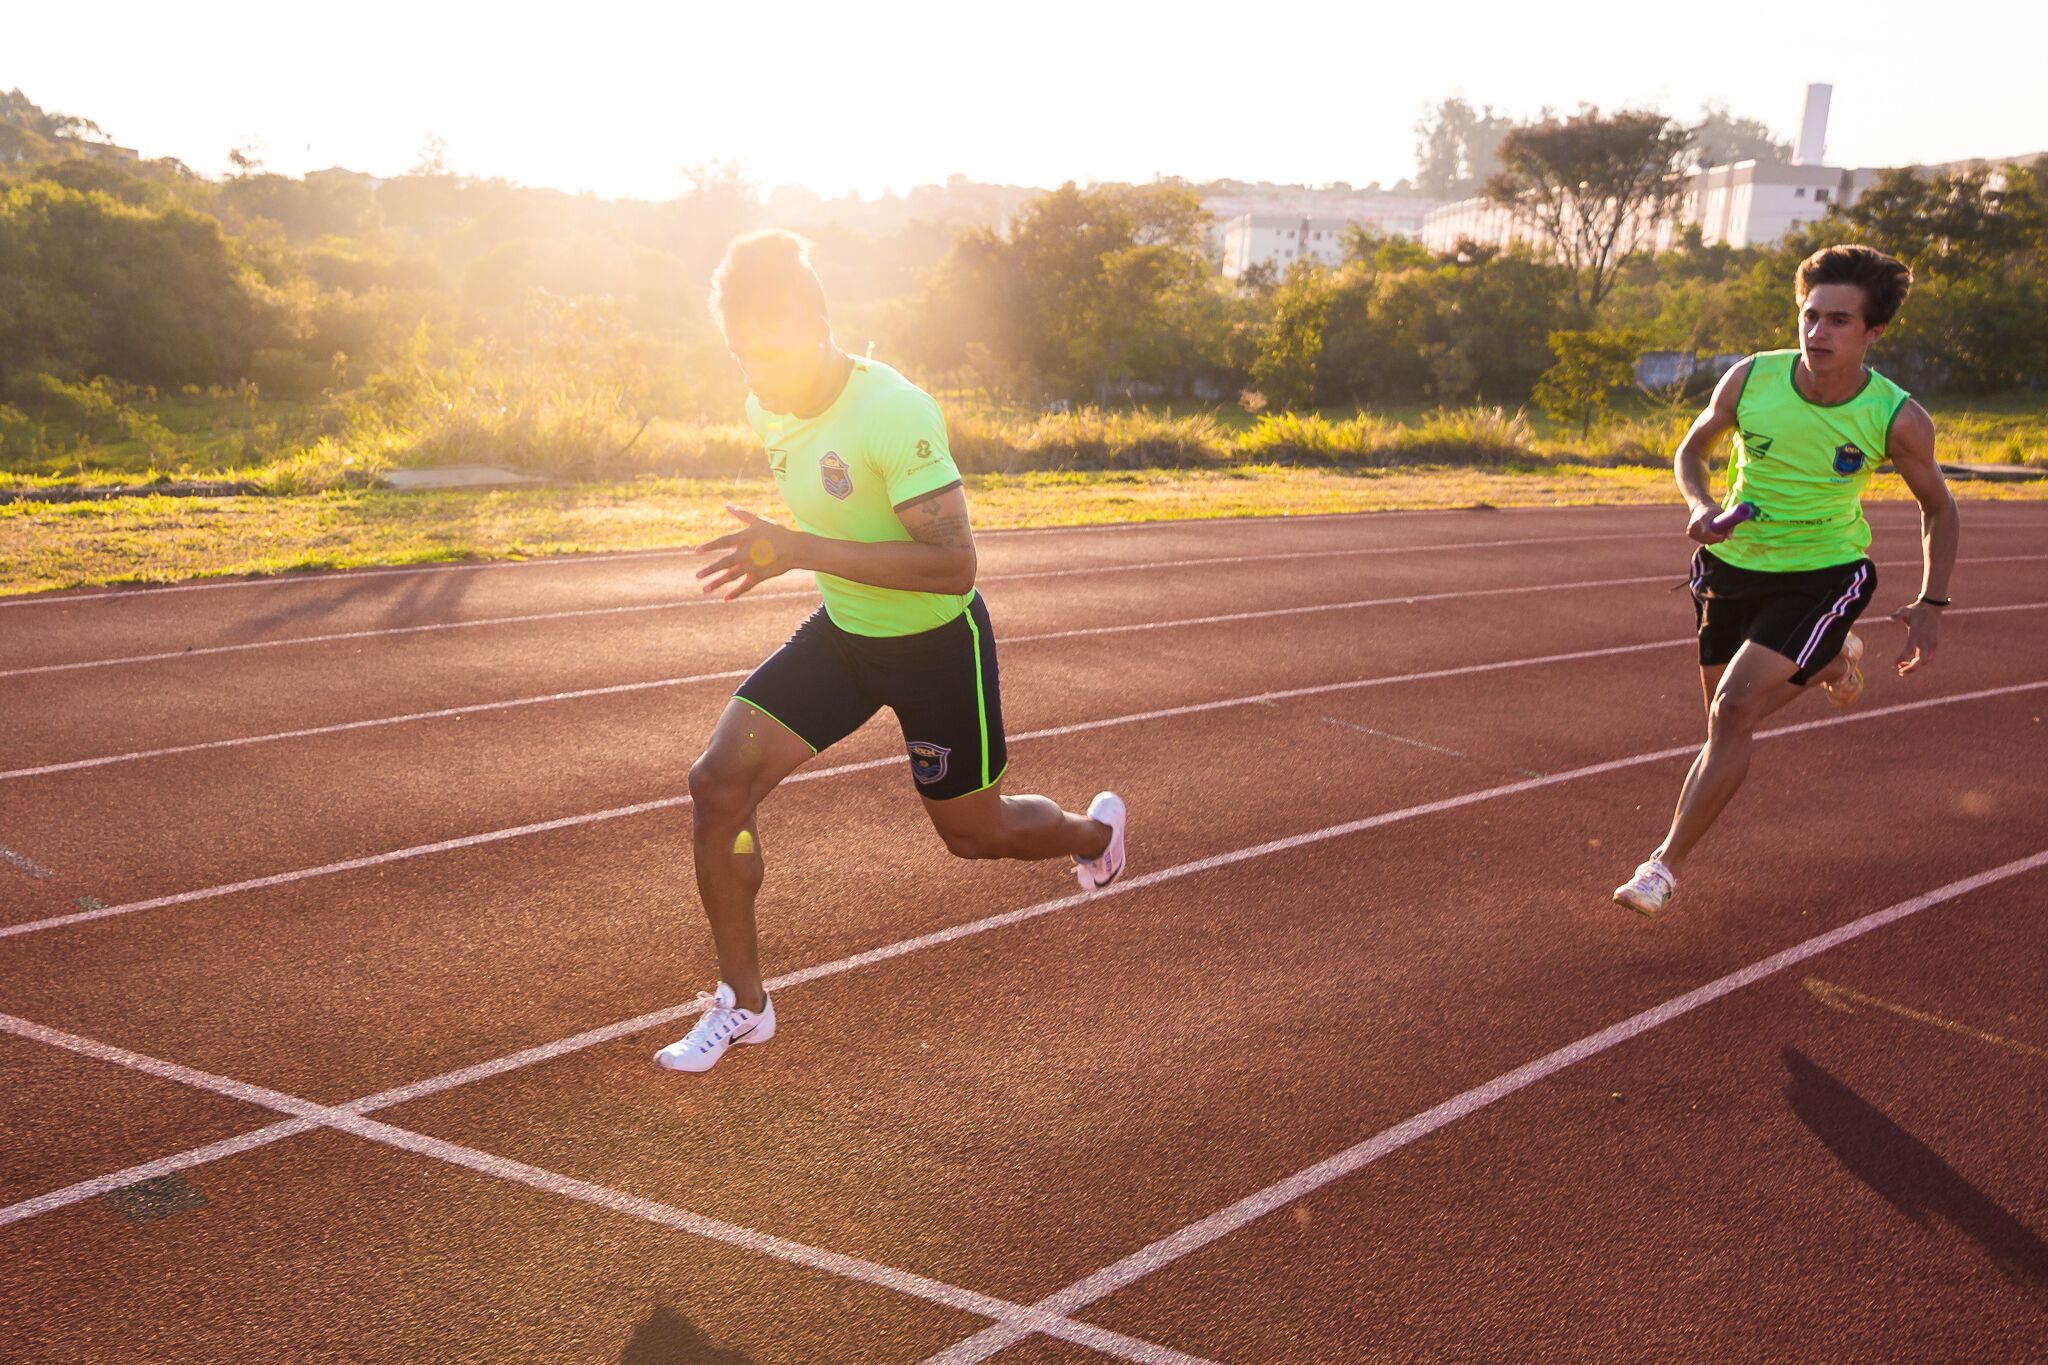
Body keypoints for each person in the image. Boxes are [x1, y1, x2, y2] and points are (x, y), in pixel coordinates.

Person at [656, 231, 1127, 1071]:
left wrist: (800, 550)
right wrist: (806, 554)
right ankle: (744, 1002)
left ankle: (1094, 836)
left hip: (936, 649)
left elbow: (954, 569)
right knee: (717, 783)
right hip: (845, 637)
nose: (755, 375)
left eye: (768, 351)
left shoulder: (892, 411)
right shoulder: (765, 405)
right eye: (739, 356)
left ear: (819, 322)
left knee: (974, 835)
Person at [1613, 243, 1958, 916]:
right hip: (1731, 568)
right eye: (1810, 315)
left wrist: (1932, 601)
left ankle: (1661, 867)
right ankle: (1832, 661)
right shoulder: (1751, 379)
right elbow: (1694, 447)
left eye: (1838, 321)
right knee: (1724, 726)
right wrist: (1700, 506)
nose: (1817, 332)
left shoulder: (1896, 416)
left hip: (1826, 573)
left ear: (1873, 332)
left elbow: (1939, 505)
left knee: (1734, 709)